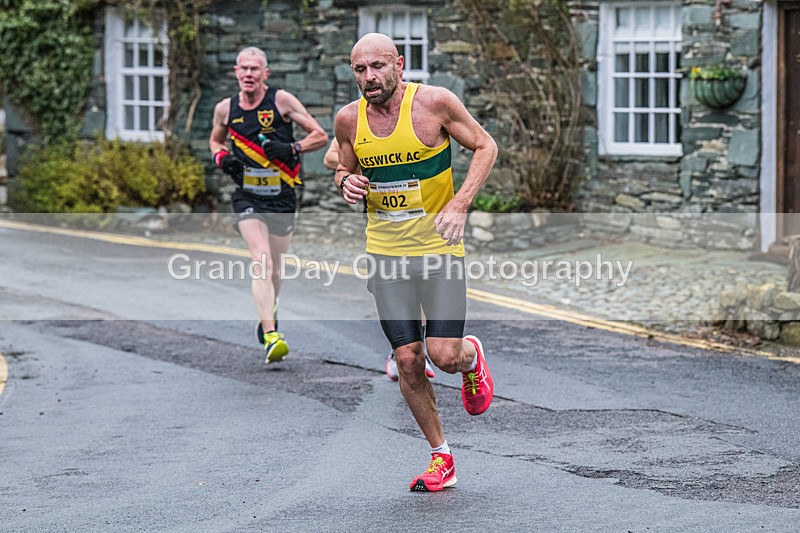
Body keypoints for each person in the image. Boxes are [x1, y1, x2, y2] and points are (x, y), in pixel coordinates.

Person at [333, 33, 498, 492]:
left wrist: (461, 202)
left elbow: (486, 146)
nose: (369, 77)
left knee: (443, 356)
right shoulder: (349, 119)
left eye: (378, 67)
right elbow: (345, 168)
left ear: (399, 64)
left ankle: (471, 357)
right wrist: (346, 182)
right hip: (385, 253)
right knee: (408, 360)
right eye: (360, 70)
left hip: (438, 248)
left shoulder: (435, 104)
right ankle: (442, 457)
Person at [210, 46, 328, 363]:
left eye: (255, 69)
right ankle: (271, 333)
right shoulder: (226, 108)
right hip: (247, 195)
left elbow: (320, 135)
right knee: (261, 259)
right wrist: (222, 158)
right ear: (235, 72)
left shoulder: (281, 101)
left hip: (282, 194)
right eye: (243, 68)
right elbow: (215, 140)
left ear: (265, 74)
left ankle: (270, 305)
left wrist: (291, 147)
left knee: (275, 266)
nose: (248, 74)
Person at [324, 138, 436, 381]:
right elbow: (331, 158)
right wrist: (364, 163)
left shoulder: (417, 117)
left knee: (421, 279)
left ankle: (419, 347)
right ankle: (400, 348)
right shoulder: (358, 121)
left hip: (422, 214)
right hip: (383, 218)